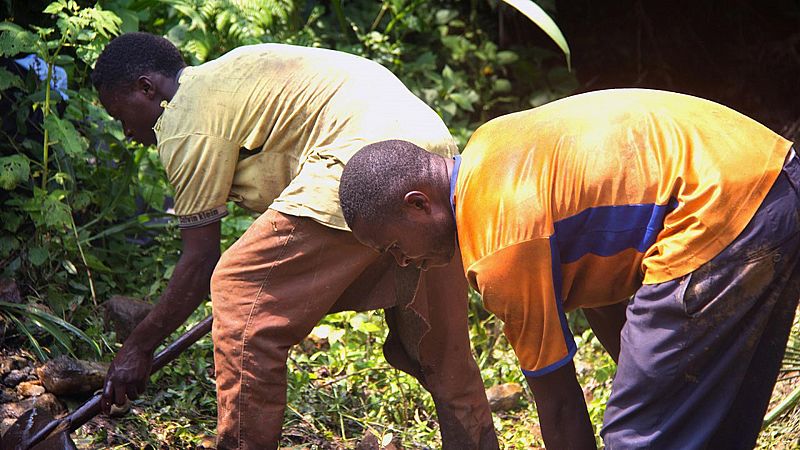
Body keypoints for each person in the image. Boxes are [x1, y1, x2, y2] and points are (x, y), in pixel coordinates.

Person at [91, 32, 498, 449]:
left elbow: (200, 262)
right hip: (431, 163)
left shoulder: (183, 119)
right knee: (444, 352)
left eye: (122, 114)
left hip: (365, 162)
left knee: (238, 291)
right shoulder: (229, 72)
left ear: (147, 88)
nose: (126, 131)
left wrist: (137, 349)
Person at [339, 88, 800, 449]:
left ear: (418, 205)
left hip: (723, 210)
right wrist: (655, 383)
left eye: (394, 246)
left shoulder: (498, 244)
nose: (401, 262)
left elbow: (558, 405)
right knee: (705, 419)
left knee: (634, 435)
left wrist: (646, 404)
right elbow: (608, 295)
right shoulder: (489, 147)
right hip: (769, 175)